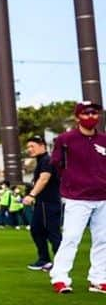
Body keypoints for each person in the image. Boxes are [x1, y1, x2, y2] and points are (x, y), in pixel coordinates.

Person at [47, 100, 106, 294]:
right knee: (71, 237)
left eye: (94, 113)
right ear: (77, 117)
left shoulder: (103, 140)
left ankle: (98, 279)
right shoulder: (65, 139)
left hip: (103, 196)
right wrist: (71, 181)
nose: (91, 117)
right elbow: (56, 164)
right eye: (86, 113)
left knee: (103, 239)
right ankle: (60, 278)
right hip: (77, 197)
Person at [23, 135, 63, 270]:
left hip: (48, 203)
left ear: (42, 146)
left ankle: (61, 263)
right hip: (42, 203)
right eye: (28, 147)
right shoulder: (41, 161)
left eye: (32, 146)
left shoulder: (47, 160)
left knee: (53, 234)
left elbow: (44, 179)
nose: (29, 149)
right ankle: (44, 259)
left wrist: (31, 195)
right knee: (36, 230)